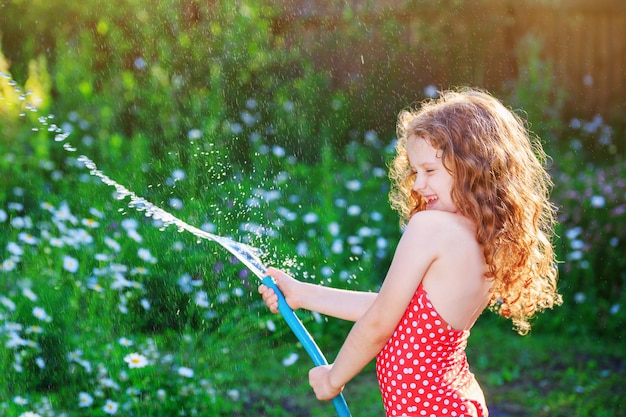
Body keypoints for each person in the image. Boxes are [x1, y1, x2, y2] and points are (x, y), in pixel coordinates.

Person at [258, 88, 562, 417]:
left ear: (473, 166)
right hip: (455, 404)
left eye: (430, 171)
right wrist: (301, 294)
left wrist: (334, 378)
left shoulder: (431, 228)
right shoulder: (485, 236)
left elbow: (379, 324)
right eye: (415, 172)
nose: (417, 185)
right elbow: (398, 312)